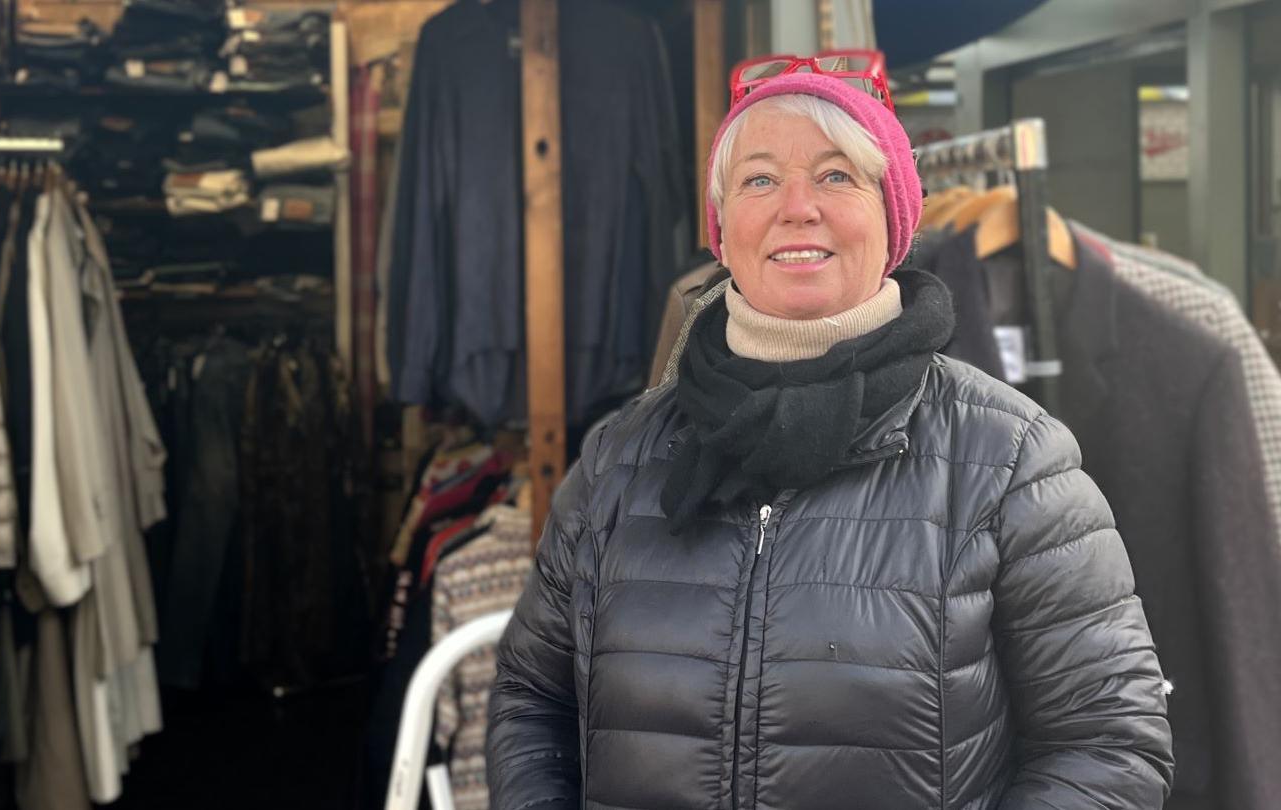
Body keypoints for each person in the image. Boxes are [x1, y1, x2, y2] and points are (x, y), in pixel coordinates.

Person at [486, 72, 1174, 809]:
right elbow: (532, 700)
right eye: (759, 180)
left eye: (836, 175)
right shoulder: (622, 459)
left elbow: (1109, 742)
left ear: (894, 217)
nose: (796, 208)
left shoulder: (1009, 460)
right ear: (723, 226)